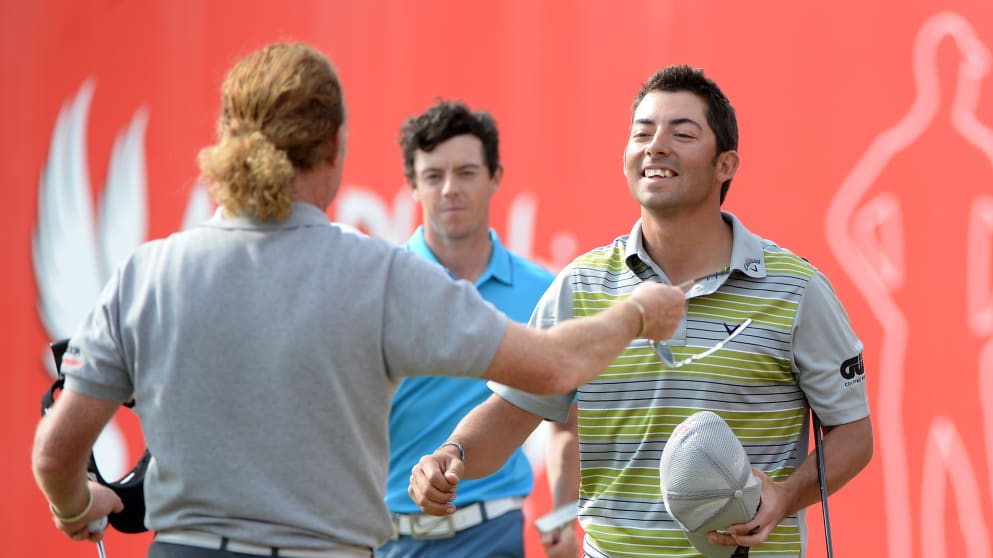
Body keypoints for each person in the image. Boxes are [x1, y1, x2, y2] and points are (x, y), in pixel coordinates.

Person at [30, 43, 688, 558]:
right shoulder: (377, 276)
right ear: (334, 147)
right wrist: (637, 313)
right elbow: (550, 368)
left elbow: (57, 454)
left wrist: (73, 506)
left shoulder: (146, 274)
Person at [407, 65, 874, 558]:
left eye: (682, 133)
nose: (655, 146)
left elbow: (853, 434)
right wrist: (450, 455)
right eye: (642, 133)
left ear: (725, 165)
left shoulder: (796, 288)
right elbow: (511, 412)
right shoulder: (581, 286)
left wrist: (784, 497)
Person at [376, 100, 578, 557]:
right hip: (386, 541)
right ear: (411, 185)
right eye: (433, 176)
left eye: (466, 172)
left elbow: (566, 424)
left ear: (496, 177)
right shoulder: (379, 288)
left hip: (492, 535)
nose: (450, 189)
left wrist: (563, 516)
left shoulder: (543, 291)